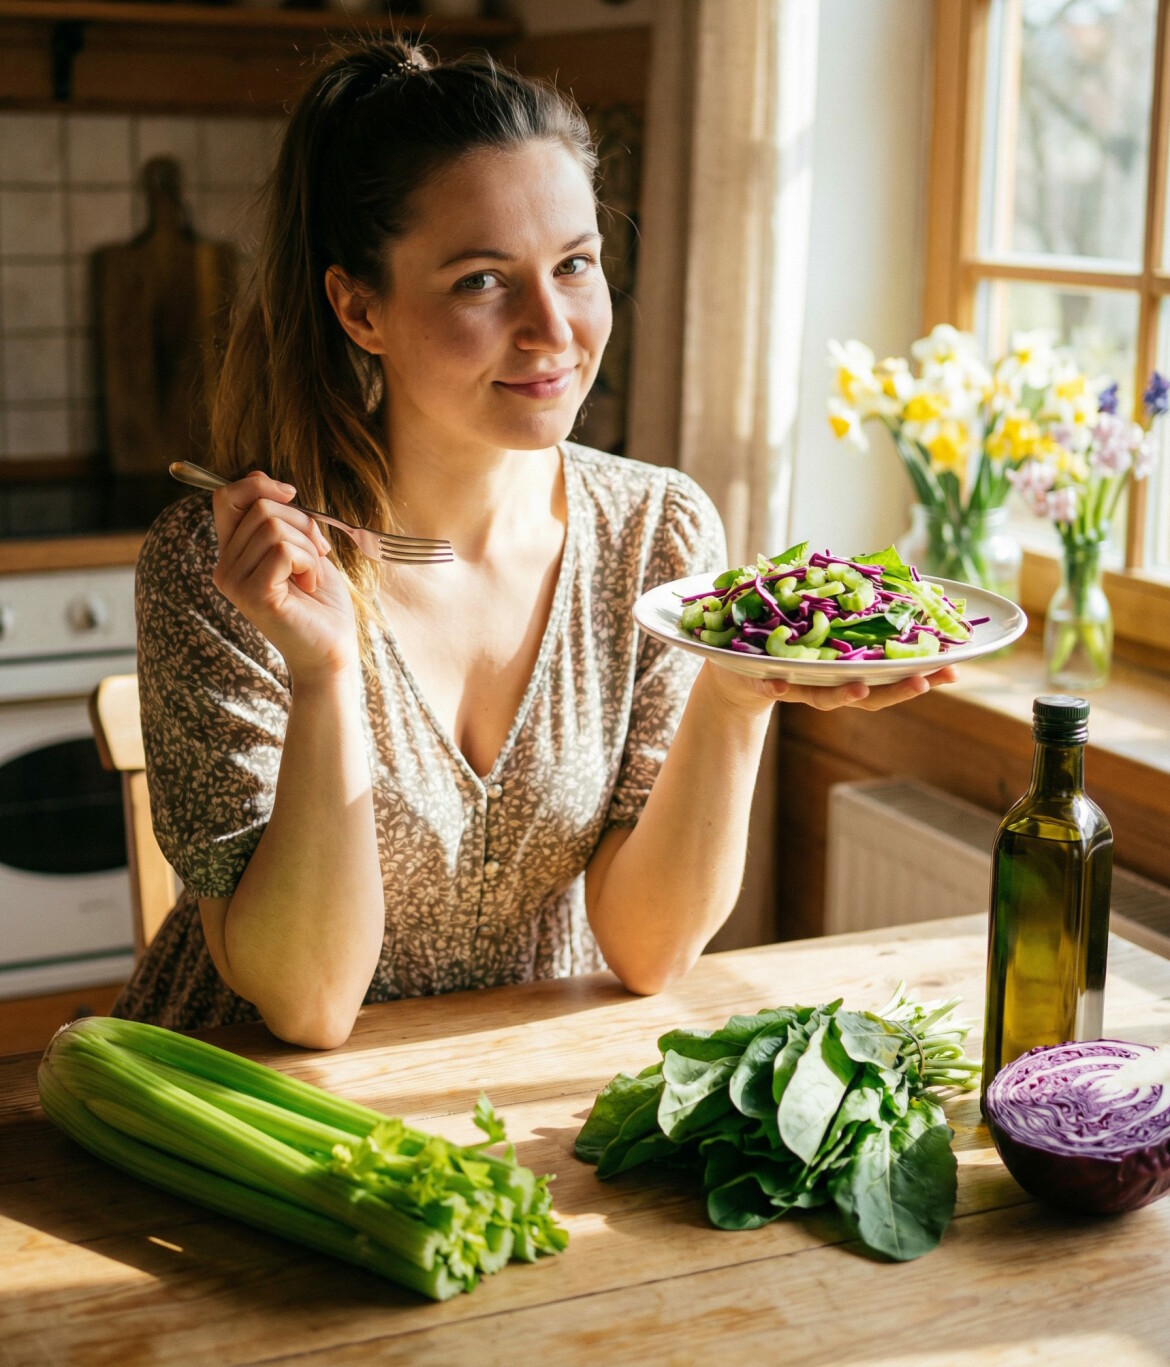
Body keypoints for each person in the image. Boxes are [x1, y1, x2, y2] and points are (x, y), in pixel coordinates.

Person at [113, 40, 956, 1049]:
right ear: (360, 307)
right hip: (240, 1105)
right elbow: (309, 1003)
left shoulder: (657, 533)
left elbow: (649, 948)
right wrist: (325, 669)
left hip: (514, 1087)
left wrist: (735, 695)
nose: (552, 328)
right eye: (481, 281)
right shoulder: (227, 572)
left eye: (576, 264)